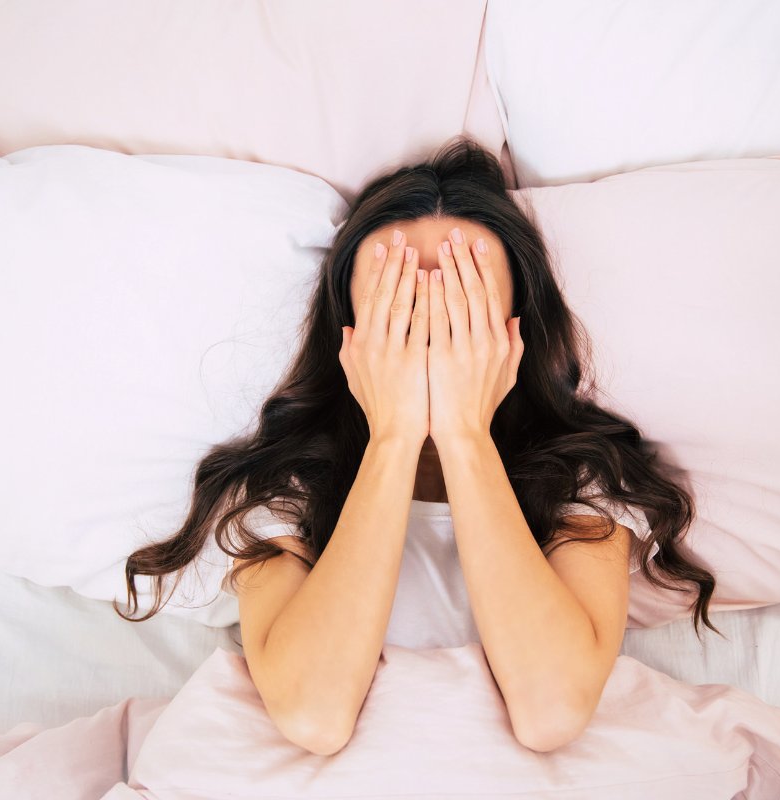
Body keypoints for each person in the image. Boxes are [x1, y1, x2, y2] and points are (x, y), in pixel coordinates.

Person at [116, 136, 719, 756]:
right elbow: (313, 715)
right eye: (397, 299)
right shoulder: (286, 485)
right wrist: (394, 435)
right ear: (348, 325)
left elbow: (551, 711)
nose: (431, 320)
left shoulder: (584, 477)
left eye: (464, 296)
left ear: (517, 322)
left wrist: (464, 434)